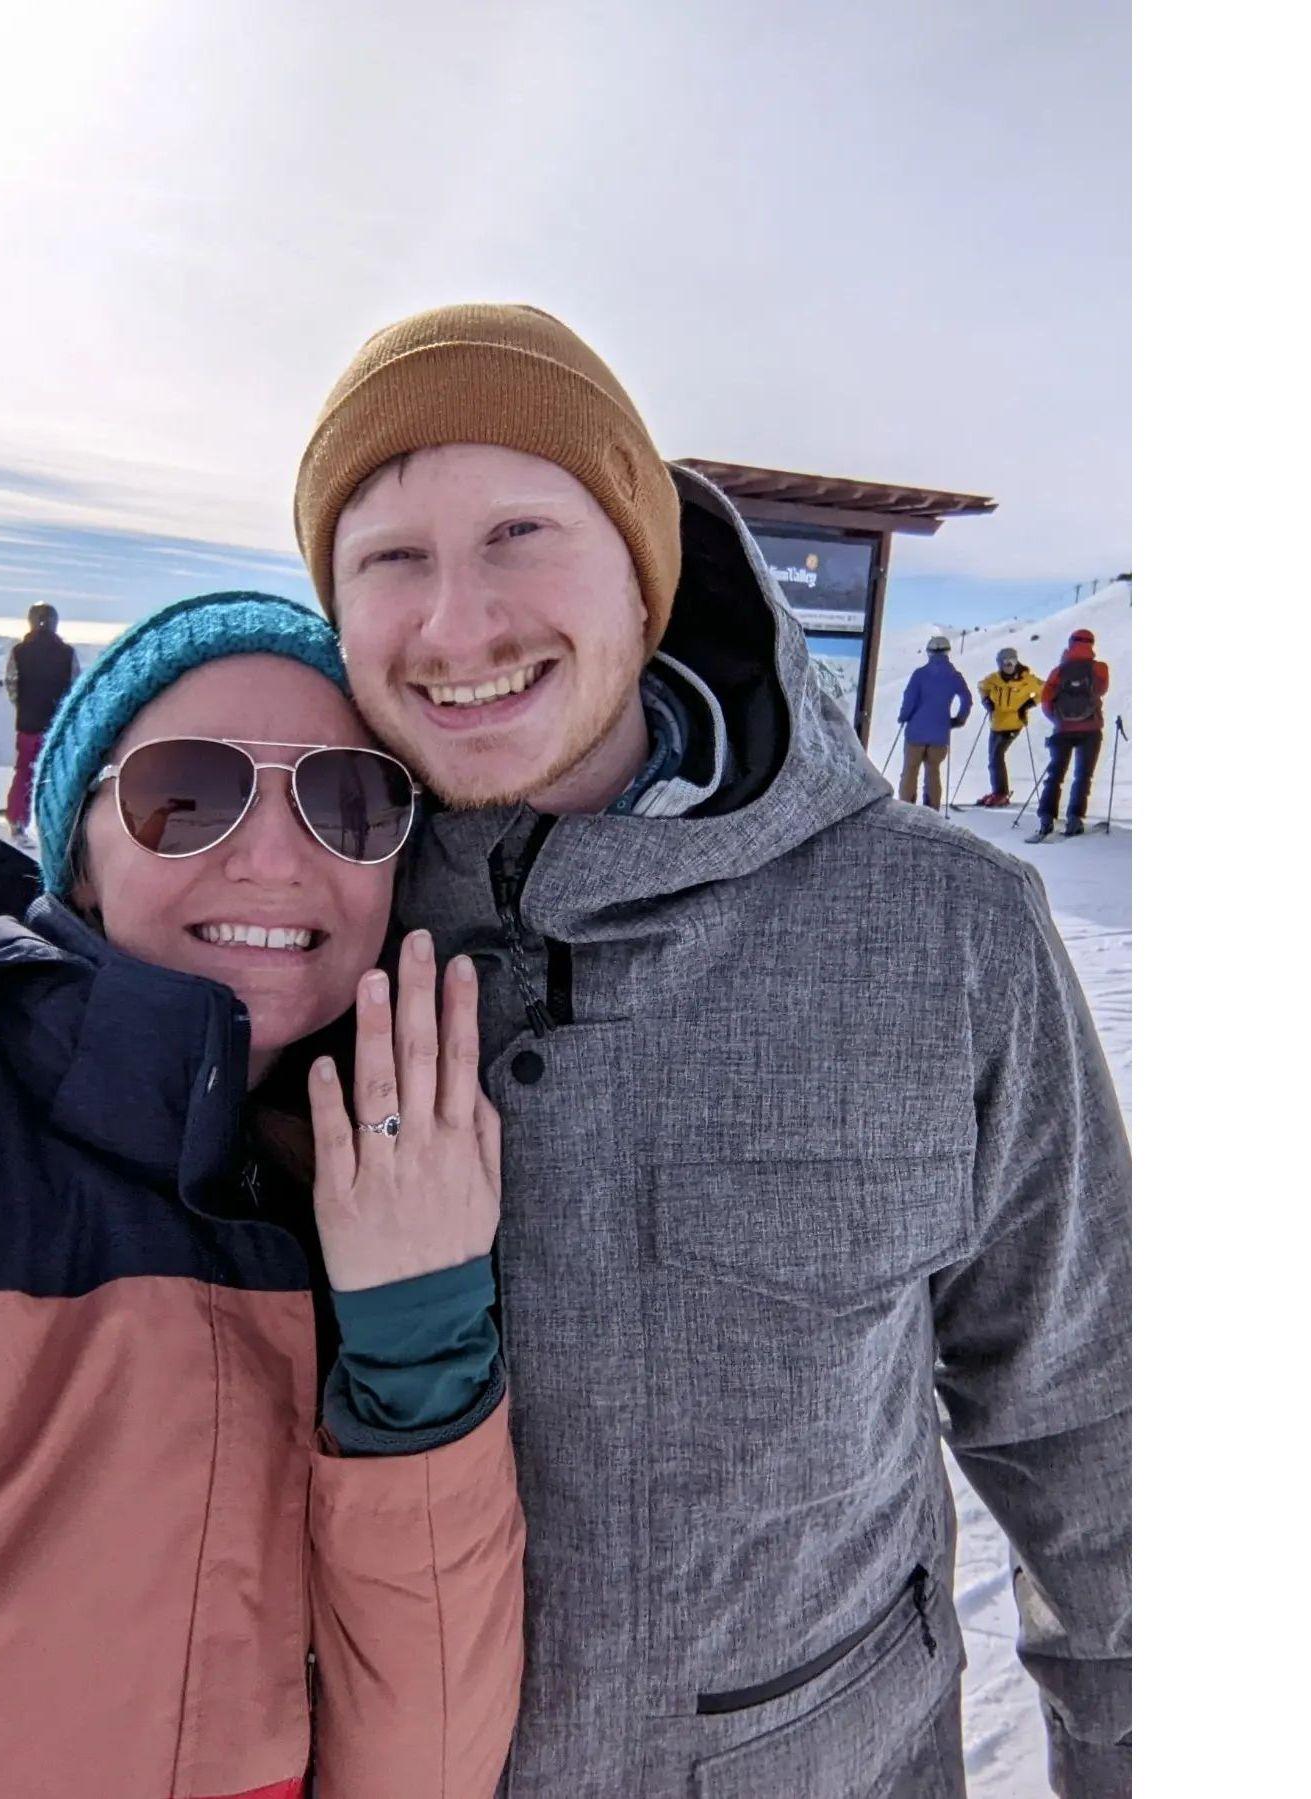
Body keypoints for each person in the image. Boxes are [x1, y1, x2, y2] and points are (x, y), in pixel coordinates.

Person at [293, 304, 1131, 1796]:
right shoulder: (285, 926)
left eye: (516, 532)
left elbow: (1083, 1409)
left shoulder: (942, 928)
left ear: (640, 564)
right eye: (388, 557)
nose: (457, 623)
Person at [0, 592, 525, 1799]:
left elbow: (423, 1768)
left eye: (348, 799)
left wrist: (420, 1345)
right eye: (187, 791)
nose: (278, 853)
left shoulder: (373, 1193)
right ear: (77, 854)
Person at [0, 600, 79, 841]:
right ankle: (55, 823)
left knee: (24, 771)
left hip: (28, 724)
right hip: (57, 725)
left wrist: (24, 706)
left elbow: (11, 684)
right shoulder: (67, 653)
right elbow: (75, 687)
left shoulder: (19, 652)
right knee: (55, 774)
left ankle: (17, 820)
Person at [1031, 627, 1113, 840]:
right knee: (1083, 776)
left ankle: (1046, 818)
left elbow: (1046, 700)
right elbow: (1102, 690)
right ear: (1091, 644)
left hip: (1063, 731)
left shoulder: (1058, 671)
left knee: (1055, 775)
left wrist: (1059, 720)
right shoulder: (1099, 668)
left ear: (1070, 643)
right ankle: (1075, 818)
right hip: (1091, 729)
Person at [896, 634, 973, 809]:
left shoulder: (920, 674)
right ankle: (932, 809)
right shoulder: (954, 676)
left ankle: (905, 808)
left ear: (929, 652)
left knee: (910, 771)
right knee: (933, 772)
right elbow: (967, 699)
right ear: (947, 652)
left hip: (915, 732)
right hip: (940, 733)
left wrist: (904, 716)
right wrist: (959, 719)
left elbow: (910, 698)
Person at [974, 645, 1044, 807]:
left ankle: (1001, 793)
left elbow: (1045, 689)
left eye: (1012, 662)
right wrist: (986, 701)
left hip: (1014, 724)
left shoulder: (1026, 679)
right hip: (996, 723)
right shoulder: (994, 679)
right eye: (1005, 662)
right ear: (999, 663)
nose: (1009, 666)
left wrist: (1029, 703)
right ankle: (998, 791)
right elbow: (982, 686)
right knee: (993, 759)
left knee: (997, 756)